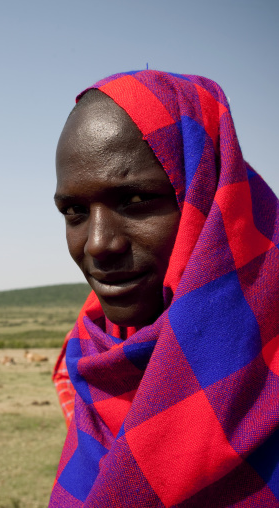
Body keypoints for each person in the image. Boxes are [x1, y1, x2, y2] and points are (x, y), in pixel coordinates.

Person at [50, 70, 279, 506]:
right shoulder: (95, 351)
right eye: (75, 210)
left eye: (135, 201)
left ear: (210, 197)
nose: (99, 244)